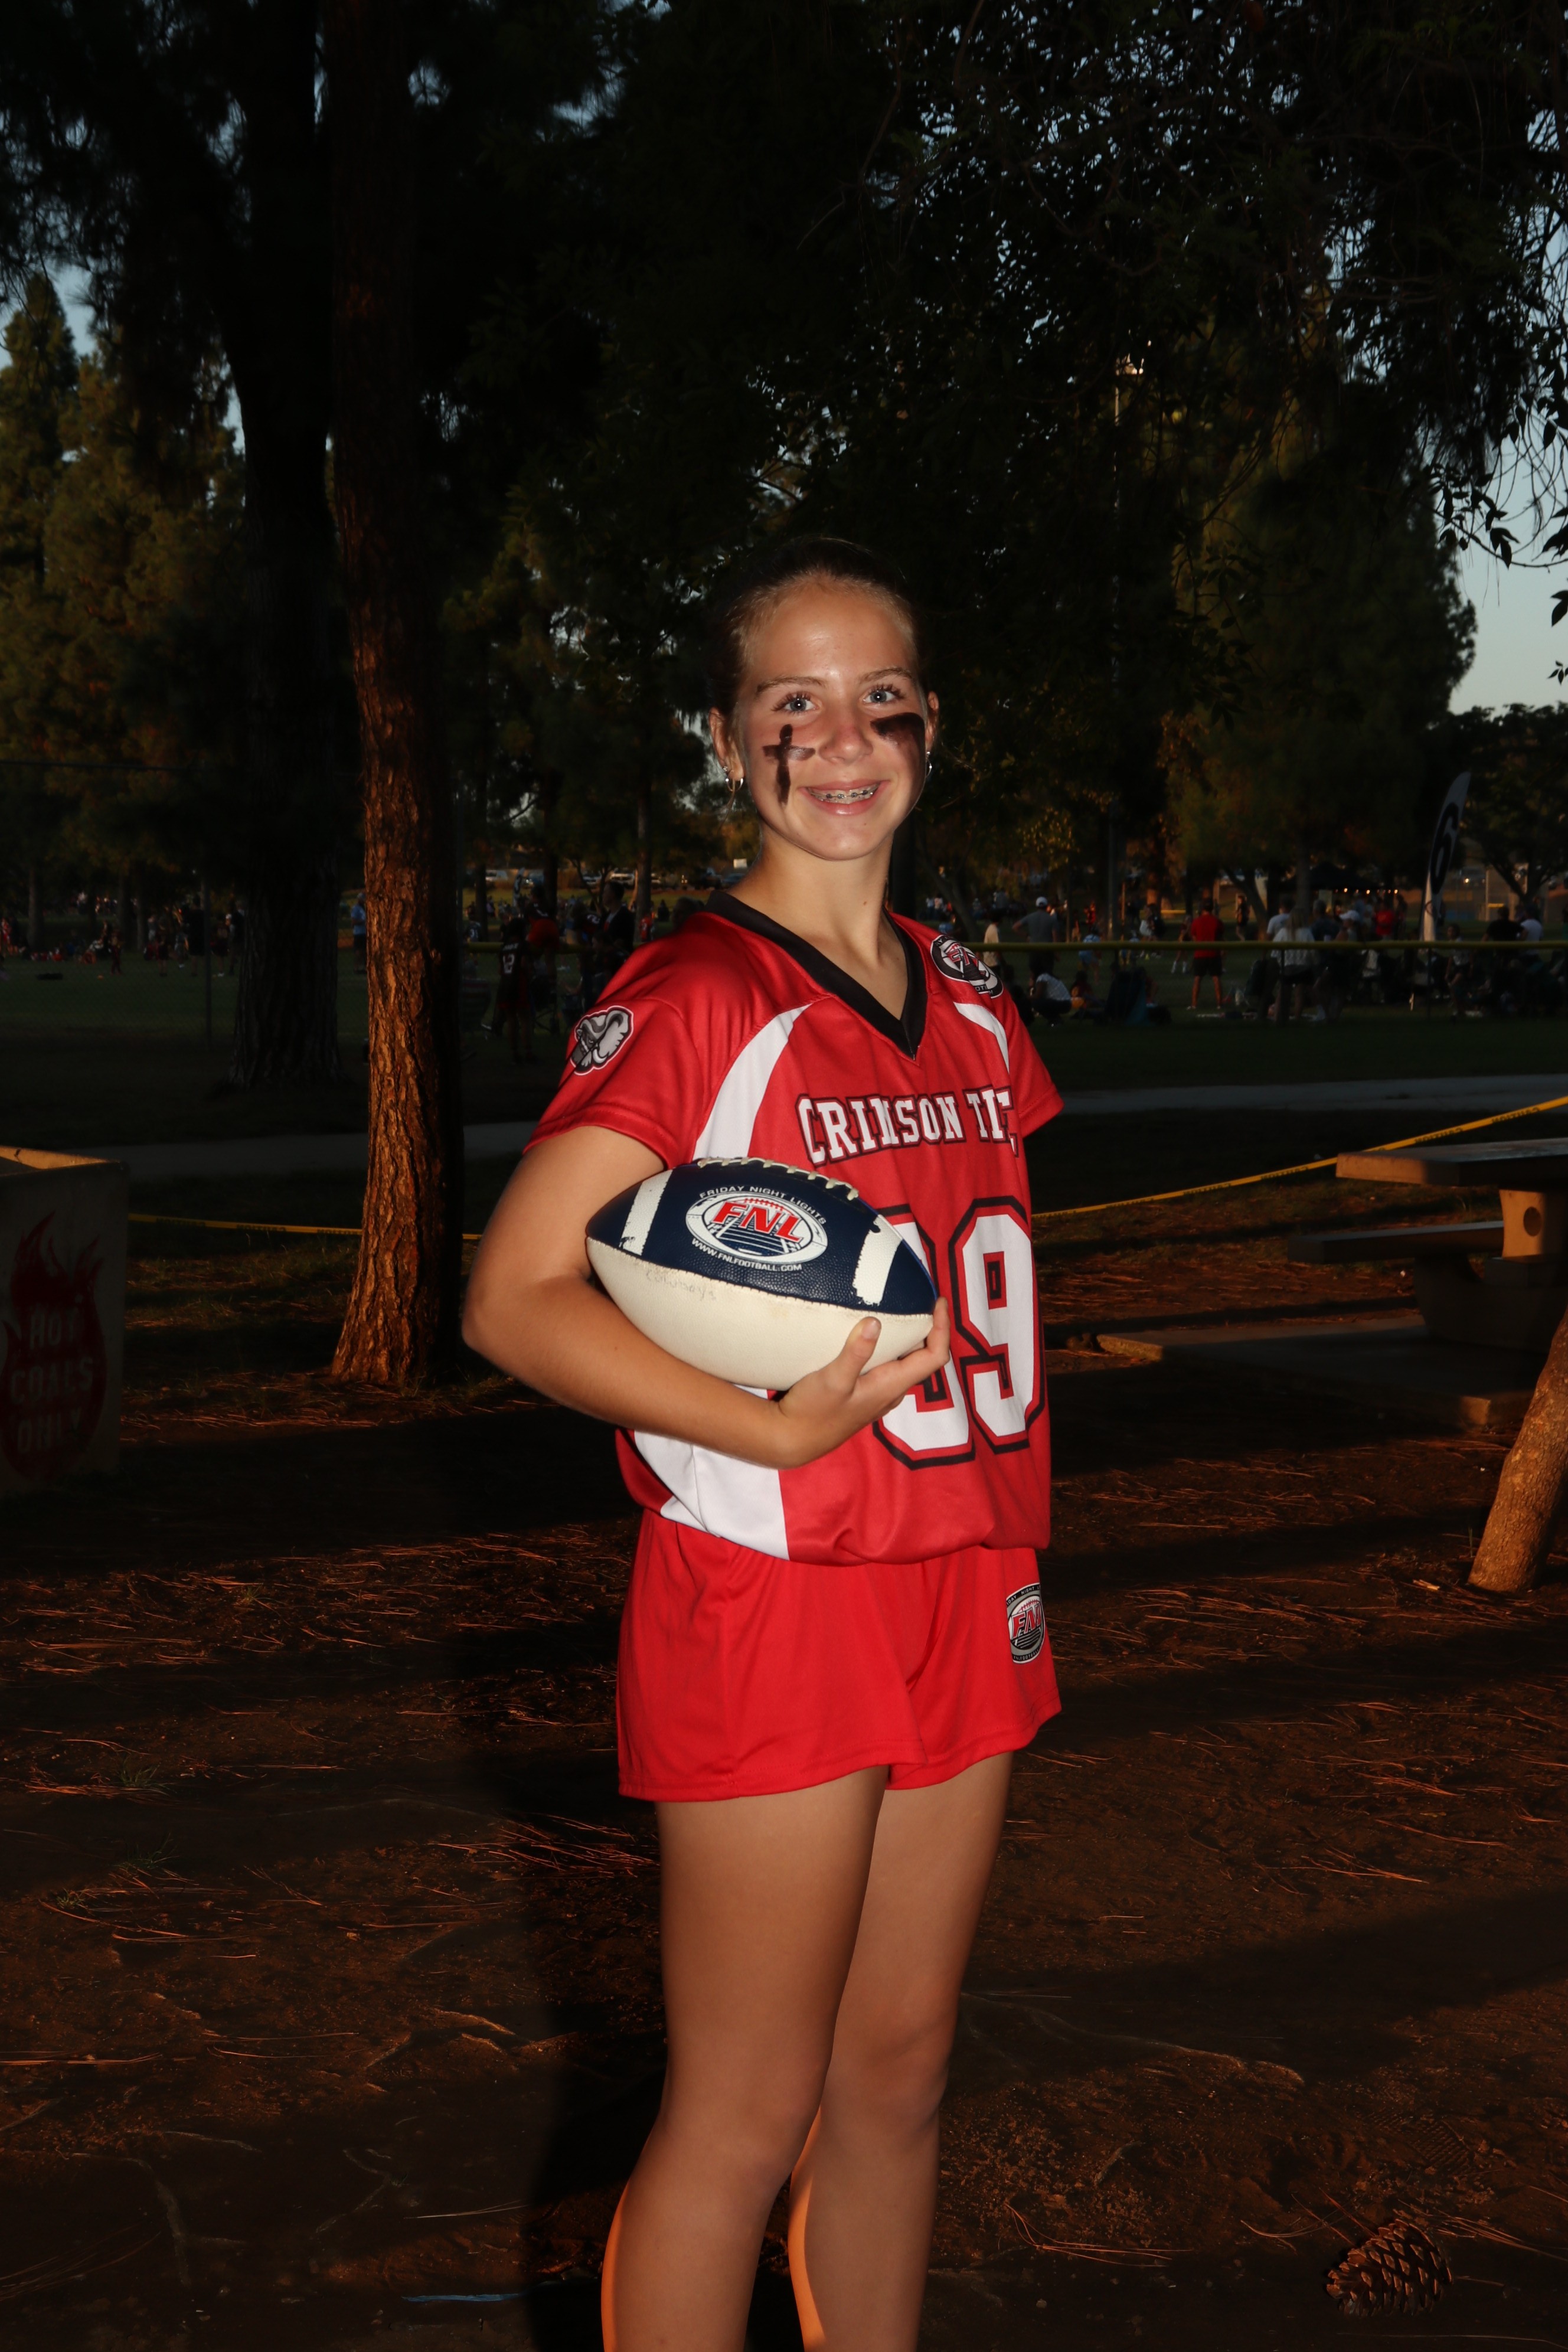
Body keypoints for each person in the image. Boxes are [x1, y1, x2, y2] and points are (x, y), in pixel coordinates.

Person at [463, 537, 1061, 2352]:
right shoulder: (699, 991)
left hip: (970, 1565)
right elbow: (513, 1296)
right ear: (729, 742)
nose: (841, 739)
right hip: (774, 1585)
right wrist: (759, 1423)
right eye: (793, 703)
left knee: (902, 2069)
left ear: (932, 725)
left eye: (879, 697)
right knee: (743, 2109)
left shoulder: (974, 995)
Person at [491, 913, 528, 1059]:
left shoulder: (504, 947)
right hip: (518, 983)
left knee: (511, 1019)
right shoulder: (523, 945)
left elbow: (500, 970)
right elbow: (523, 964)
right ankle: (528, 1052)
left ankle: (514, 1053)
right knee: (524, 1019)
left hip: (505, 984)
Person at [1188, 890, 1224, 1010]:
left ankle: (1194, 1004)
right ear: (1212, 908)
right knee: (1216, 979)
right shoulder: (1217, 921)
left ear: (1202, 908)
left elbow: (1194, 937)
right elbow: (1220, 936)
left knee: (1197, 979)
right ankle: (1219, 1004)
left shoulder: (1196, 922)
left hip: (1200, 954)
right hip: (1214, 953)